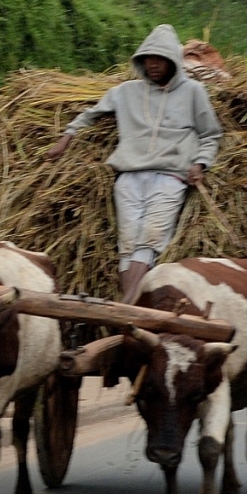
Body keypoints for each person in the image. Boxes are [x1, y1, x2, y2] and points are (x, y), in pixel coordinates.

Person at [46, 25, 223, 305]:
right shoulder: (125, 92)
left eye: (160, 59)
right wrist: (66, 137)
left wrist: (200, 164)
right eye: (147, 59)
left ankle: (126, 306)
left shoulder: (193, 92)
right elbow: (90, 114)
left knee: (149, 240)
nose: (153, 65)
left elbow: (210, 134)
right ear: (140, 62)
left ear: (173, 62)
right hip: (128, 177)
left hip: (170, 177)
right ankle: (130, 305)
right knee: (127, 244)